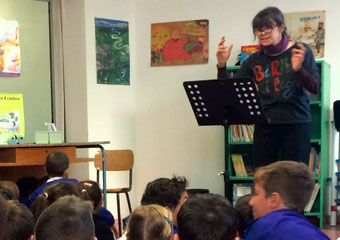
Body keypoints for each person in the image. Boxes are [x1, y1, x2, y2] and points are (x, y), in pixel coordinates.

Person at [216, 6, 321, 168]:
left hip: (296, 122)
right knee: (262, 177)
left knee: (294, 177)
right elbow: (231, 91)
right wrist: (222, 65)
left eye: (268, 28)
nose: (263, 33)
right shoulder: (253, 60)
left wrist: (299, 70)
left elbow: (315, 87)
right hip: (265, 124)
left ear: (281, 27)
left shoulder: (300, 51)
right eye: (258, 30)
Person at [245, 161, 329, 239]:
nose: (251, 202)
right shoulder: (319, 234)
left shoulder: (262, 227)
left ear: (274, 200)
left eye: (256, 193)